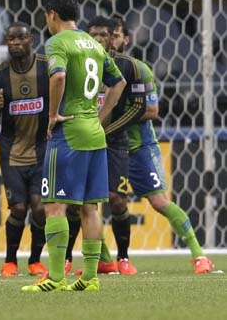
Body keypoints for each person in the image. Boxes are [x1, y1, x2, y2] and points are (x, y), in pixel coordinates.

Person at [21, 0, 125, 292]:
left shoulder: (57, 42)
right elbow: (118, 83)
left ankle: (54, 277)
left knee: (53, 205)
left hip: (68, 133)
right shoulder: (92, 43)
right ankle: (90, 278)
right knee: (91, 207)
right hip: (93, 133)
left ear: (52, 14)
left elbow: (58, 77)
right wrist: (100, 118)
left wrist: (52, 115)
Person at [112, 16, 214, 274]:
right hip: (109, 148)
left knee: (158, 202)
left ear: (126, 39)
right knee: (92, 202)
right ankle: (105, 260)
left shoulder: (139, 69)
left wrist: (117, 115)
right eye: (104, 35)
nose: (109, 41)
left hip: (139, 147)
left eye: (114, 35)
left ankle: (199, 255)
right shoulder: (95, 71)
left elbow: (152, 110)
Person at [64, 16, 147, 276]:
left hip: (114, 144)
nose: (98, 39)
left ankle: (122, 257)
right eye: (94, 35)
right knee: (77, 203)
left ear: (113, 38)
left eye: (104, 35)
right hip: (81, 141)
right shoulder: (76, 63)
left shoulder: (129, 66)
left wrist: (104, 128)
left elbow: (138, 105)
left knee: (117, 200)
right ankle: (67, 258)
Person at [0, 22, 48, 278]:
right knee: (19, 209)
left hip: (42, 149)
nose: (15, 43)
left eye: (20, 38)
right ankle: (10, 261)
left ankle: (34, 261)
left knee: (41, 207)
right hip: (11, 152)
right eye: (11, 39)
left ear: (30, 39)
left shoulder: (46, 67)